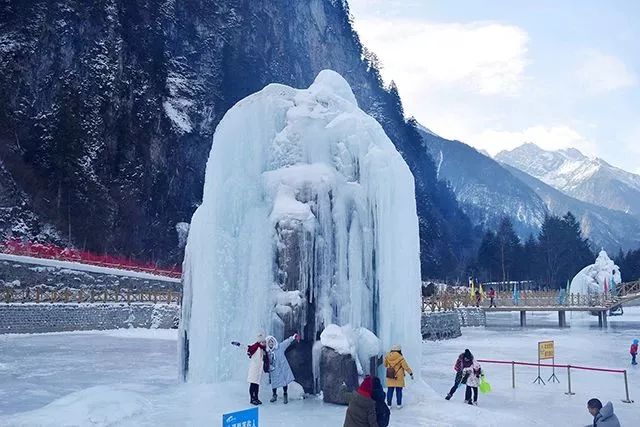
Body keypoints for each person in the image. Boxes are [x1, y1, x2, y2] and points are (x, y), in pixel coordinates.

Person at [266, 333, 300, 404]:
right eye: (269, 342)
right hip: (274, 369)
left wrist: (293, 337)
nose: (271, 343)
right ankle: (274, 395)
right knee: (274, 383)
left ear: (274, 342)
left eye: (272, 342)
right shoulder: (267, 352)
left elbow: (286, 342)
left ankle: (285, 394)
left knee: (284, 382)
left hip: (282, 368)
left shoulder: (280, 347)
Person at [384, 345, 413, 409]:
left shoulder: (387, 356)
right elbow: (406, 367)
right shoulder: (401, 358)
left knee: (390, 391)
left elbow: (385, 365)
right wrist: (410, 373)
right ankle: (399, 404)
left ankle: (389, 405)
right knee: (399, 391)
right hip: (399, 376)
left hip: (390, 375)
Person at [247, 333, 268, 405]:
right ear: (259, 342)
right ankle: (251, 399)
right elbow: (247, 348)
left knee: (257, 385)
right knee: (253, 384)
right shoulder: (255, 348)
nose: (264, 343)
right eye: (262, 342)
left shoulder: (264, 350)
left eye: (264, 342)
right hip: (254, 369)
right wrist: (239, 345)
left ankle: (256, 397)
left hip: (259, 370)